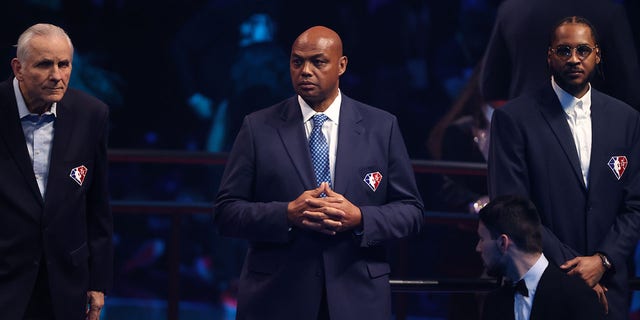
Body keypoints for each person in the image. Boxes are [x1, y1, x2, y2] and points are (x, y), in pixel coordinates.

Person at [214, 25, 424, 319]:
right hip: (277, 297)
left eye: (318, 61)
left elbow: (411, 212)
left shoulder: (382, 127)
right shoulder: (258, 127)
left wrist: (360, 218)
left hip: (356, 297)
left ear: (341, 65)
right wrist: (286, 213)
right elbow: (226, 212)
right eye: (297, 62)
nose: (305, 71)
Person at [488, 16, 640, 319]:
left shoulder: (627, 119)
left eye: (583, 50)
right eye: (563, 50)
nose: (574, 58)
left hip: (610, 287)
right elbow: (513, 209)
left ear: (597, 54)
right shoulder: (514, 119)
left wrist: (603, 260)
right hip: (544, 285)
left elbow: (635, 204)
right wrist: (578, 271)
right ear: (549, 55)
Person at [0, 23, 113, 319]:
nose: (57, 76)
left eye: (64, 64)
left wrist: (97, 282)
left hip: (64, 285)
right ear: (18, 68)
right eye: (44, 64)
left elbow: (97, 206)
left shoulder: (92, 115)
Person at [480, 0, 640, 110]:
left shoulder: (511, 9)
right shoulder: (608, 11)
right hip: (592, 139)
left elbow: (491, 88)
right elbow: (630, 91)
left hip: (524, 138)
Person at [476, 195, 605, 319]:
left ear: (503, 243)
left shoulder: (578, 296)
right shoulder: (493, 303)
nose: (478, 248)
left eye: (482, 239)